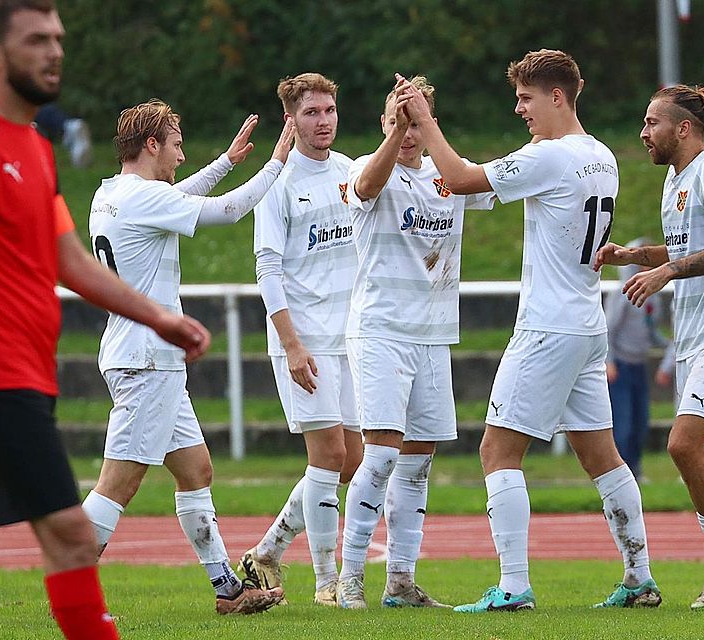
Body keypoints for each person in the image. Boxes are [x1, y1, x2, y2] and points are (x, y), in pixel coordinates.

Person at [0, 2, 210, 637]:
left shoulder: (37, 149)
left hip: (19, 373)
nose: (54, 51)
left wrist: (160, 317)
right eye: (36, 40)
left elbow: (71, 261)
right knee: (72, 535)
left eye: (58, 38)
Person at [400, 48, 662, 613]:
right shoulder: (600, 155)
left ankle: (514, 587)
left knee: (497, 451)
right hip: (588, 326)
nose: (519, 108)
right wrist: (457, 180)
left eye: (525, 98)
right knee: (603, 457)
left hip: (547, 326)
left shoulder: (551, 156)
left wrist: (427, 123)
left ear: (557, 96)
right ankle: (640, 577)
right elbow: (488, 188)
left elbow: (468, 179)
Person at [80, 99, 294, 615]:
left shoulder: (112, 192)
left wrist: (224, 163)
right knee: (118, 484)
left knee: (195, 470)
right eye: (176, 144)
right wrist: (276, 163)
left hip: (144, 357)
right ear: (152, 144)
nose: (180, 154)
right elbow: (229, 210)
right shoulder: (144, 198)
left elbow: (173, 198)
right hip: (146, 360)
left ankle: (229, 591)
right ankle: (71, 587)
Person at [594, 84, 704, 609]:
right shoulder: (675, 182)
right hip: (696, 343)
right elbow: (686, 246)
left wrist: (667, 269)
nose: (643, 133)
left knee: (681, 445)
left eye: (651, 123)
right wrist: (638, 254)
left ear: (683, 128)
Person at [335, 75, 496, 610]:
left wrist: (427, 123)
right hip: (380, 329)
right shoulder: (364, 166)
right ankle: (350, 577)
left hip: (432, 336)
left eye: (414, 122)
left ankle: (401, 581)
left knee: (418, 460)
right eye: (395, 120)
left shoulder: (446, 175)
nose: (406, 132)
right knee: (379, 454)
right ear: (383, 123)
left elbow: (494, 182)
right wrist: (398, 129)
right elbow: (366, 189)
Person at [237, 72, 363, 607]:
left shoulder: (352, 172)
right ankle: (325, 582)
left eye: (329, 109)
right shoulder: (278, 182)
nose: (324, 121)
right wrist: (290, 344)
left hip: (352, 338)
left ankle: (267, 550)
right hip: (303, 339)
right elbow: (267, 267)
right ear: (292, 119)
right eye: (312, 112)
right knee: (328, 454)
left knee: (354, 461)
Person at [0, 0, 92, 167]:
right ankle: (66, 126)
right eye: (36, 41)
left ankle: (66, 126)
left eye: (58, 39)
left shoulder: (41, 147)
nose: (57, 53)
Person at [605, 237, 675, 481]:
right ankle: (620, 474)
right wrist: (609, 361)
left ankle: (635, 469)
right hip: (620, 367)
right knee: (622, 423)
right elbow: (608, 330)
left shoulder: (652, 298)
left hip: (639, 365)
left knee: (639, 422)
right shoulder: (622, 295)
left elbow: (650, 330)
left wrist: (671, 346)